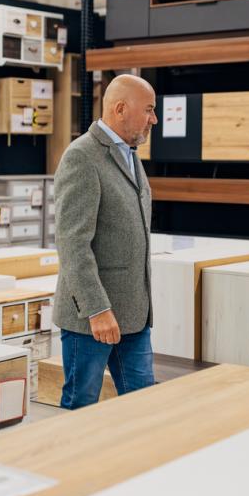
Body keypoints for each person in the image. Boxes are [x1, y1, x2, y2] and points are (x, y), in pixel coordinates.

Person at [52, 74, 158, 409]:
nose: (154, 119)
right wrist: (97, 309)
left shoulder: (129, 154)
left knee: (142, 408)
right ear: (120, 109)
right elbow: (73, 243)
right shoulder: (82, 156)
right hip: (91, 319)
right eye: (149, 110)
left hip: (133, 316)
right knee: (81, 408)